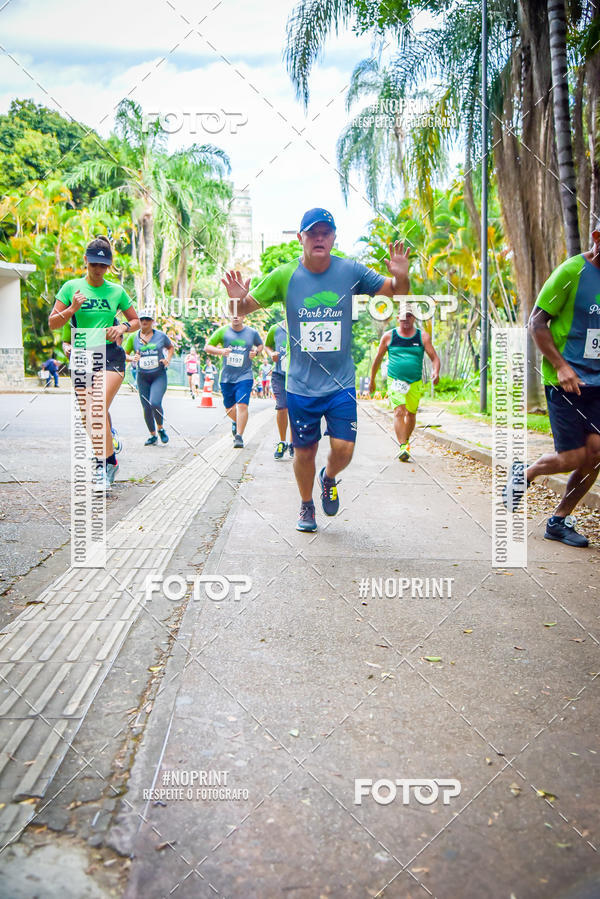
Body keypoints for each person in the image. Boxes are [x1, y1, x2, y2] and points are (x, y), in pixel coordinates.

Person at [222, 207, 410, 531]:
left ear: (334, 237)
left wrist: (402, 275)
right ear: (301, 238)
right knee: (304, 451)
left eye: (326, 232)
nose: (319, 238)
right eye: (313, 233)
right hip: (300, 385)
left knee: (344, 448)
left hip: (340, 382)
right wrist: (236, 300)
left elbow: (397, 290)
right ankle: (306, 504)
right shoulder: (284, 275)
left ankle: (329, 476)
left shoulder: (350, 270)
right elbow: (243, 308)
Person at [504, 220, 600, 548]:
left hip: (598, 382)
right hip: (565, 379)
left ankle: (559, 520)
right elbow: (537, 322)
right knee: (572, 456)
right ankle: (527, 473)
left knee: (596, 454)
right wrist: (561, 366)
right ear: (596, 237)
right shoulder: (571, 272)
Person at [48, 235, 139, 490]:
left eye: (103, 266)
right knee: (88, 415)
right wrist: (71, 310)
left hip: (110, 354)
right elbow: (53, 323)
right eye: (94, 264)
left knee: (97, 408)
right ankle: (110, 461)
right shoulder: (70, 287)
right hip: (82, 355)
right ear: (85, 261)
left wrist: (121, 327)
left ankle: (102, 467)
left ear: (109, 265)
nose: (98, 270)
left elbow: (135, 321)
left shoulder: (117, 291)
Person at [370, 303, 440, 461]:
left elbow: (434, 358)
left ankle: (406, 442)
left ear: (414, 318)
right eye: (403, 317)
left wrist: (436, 372)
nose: (406, 319)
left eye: (409, 316)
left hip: (415, 382)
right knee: (399, 411)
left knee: (411, 413)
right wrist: (372, 380)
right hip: (395, 381)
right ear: (397, 318)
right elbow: (378, 359)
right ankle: (403, 446)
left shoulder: (422, 337)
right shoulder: (389, 336)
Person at [204, 314, 264, 448]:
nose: (236, 316)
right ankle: (237, 422)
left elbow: (260, 345)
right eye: (233, 314)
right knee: (229, 408)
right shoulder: (223, 331)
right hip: (226, 377)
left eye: (239, 314)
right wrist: (221, 351)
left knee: (242, 405)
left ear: (244, 316)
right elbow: (207, 347)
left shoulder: (252, 332)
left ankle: (239, 436)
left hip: (245, 376)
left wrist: (256, 352)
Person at [124, 311, 173, 446]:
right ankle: (152, 435)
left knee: (155, 402)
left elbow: (170, 347)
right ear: (139, 321)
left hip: (158, 375)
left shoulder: (161, 336)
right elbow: (124, 354)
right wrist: (132, 358)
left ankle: (161, 429)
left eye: (147, 319)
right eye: (142, 319)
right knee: (146, 407)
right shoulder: (133, 338)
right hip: (142, 377)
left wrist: (168, 359)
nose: (144, 322)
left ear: (152, 321)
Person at [265, 318, 293, 459]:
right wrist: (271, 354)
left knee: (295, 409)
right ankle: (282, 442)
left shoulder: (302, 325)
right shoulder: (275, 328)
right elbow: (267, 346)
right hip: (279, 375)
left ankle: (293, 444)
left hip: (297, 376)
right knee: (282, 407)